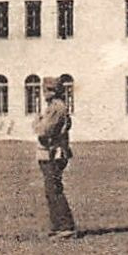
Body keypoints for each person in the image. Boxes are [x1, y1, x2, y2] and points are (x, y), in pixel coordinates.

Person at [32, 77, 76, 239]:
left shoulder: (57, 108)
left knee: (54, 189)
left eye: (49, 90)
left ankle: (66, 226)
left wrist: (36, 122)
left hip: (53, 154)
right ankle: (58, 226)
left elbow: (44, 130)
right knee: (51, 190)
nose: (45, 93)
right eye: (45, 89)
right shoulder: (53, 107)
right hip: (49, 152)